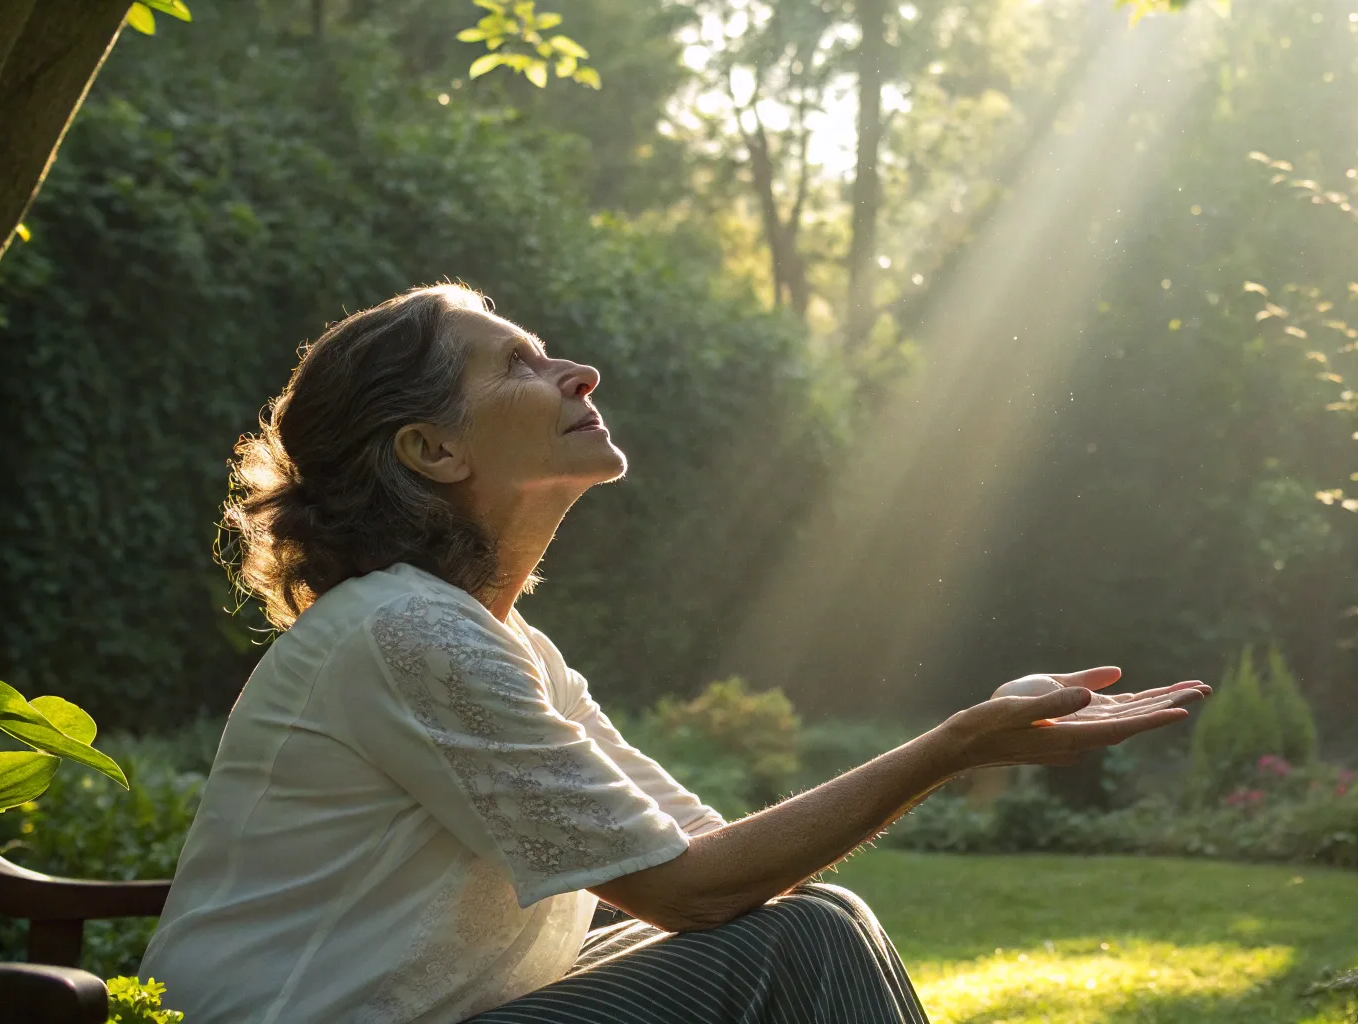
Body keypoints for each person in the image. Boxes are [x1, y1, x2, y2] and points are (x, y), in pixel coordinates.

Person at [137, 284, 1209, 1023]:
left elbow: (702, 853)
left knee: (815, 916)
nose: (580, 372)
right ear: (430, 448)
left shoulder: (492, 639)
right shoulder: (405, 631)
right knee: (804, 944)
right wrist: (953, 746)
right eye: (520, 363)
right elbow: (692, 895)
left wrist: (967, 732)